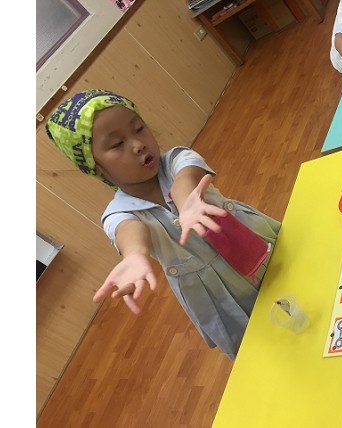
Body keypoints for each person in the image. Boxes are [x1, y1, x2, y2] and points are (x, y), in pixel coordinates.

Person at [45, 89, 281, 360]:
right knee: (262, 348)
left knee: (298, 277)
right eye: (117, 144)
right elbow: (129, 231)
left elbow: (186, 179)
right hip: (218, 293)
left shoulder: (177, 159)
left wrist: (187, 202)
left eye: (139, 129)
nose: (138, 144)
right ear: (94, 166)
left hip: (252, 244)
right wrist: (135, 255)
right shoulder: (117, 213)